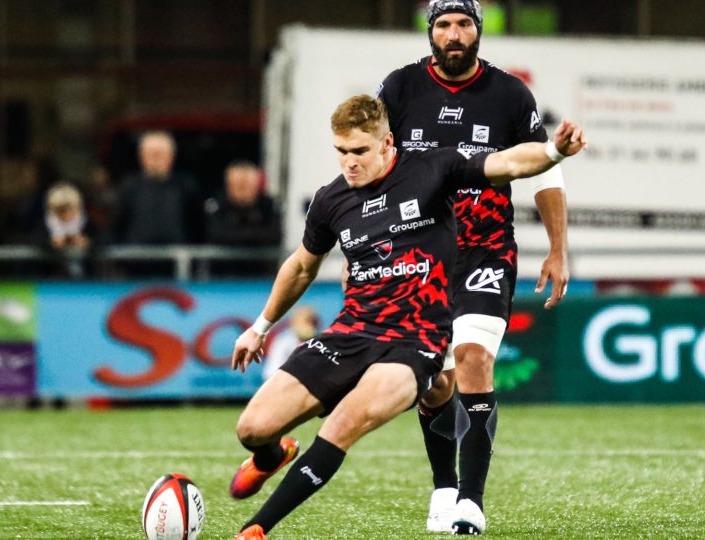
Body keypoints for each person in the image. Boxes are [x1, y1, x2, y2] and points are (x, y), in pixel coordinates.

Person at [228, 95, 584, 539]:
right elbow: (302, 266)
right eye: (341, 151)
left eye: (360, 151)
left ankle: (256, 529)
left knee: (341, 426)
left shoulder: (433, 169)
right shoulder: (330, 201)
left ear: (387, 143)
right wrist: (260, 327)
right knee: (251, 428)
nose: (349, 162)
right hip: (350, 333)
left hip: (415, 340)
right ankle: (269, 456)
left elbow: (506, 164)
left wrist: (553, 152)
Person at [376, 0, 571, 533]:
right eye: (444, 25)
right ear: (431, 33)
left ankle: (471, 500)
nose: (454, 34)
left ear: (478, 31)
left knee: (472, 360)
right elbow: (374, 167)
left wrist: (558, 248)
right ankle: (443, 486)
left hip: (486, 251)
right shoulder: (398, 89)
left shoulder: (509, 94)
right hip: (418, 257)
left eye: (464, 24)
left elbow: (545, 172)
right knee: (433, 384)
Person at [111, 131, 201, 246]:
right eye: (151, 154)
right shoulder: (129, 187)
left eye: (159, 154)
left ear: (171, 157)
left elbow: (197, 225)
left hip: (177, 259)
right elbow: (118, 225)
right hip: (137, 258)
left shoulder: (186, 186)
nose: (155, 159)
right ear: (141, 157)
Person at [204, 160, 282, 275]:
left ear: (256, 185)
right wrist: (255, 237)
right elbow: (216, 235)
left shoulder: (269, 206)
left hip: (262, 277)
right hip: (223, 278)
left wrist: (235, 236)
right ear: (228, 185)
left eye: (246, 185)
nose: (243, 190)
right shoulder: (216, 206)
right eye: (238, 185)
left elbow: (274, 235)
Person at [262, 306, 319, 380]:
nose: (309, 326)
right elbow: (270, 374)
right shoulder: (284, 342)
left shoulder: (321, 341)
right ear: (294, 322)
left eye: (311, 322)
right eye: (306, 321)